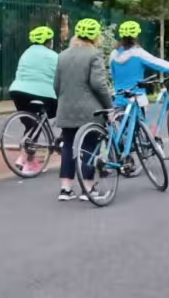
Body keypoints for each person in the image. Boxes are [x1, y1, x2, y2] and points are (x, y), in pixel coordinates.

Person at [54, 18, 114, 201]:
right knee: (89, 146)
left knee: (68, 147)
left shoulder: (63, 55)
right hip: (90, 110)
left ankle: (65, 188)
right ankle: (88, 188)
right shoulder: (94, 54)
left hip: (66, 107)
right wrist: (109, 107)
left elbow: (56, 85)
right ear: (96, 36)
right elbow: (98, 84)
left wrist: (64, 100)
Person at [8, 26, 59, 174]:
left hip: (18, 91)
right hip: (41, 92)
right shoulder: (53, 55)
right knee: (54, 114)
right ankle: (23, 158)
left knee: (32, 124)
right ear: (49, 41)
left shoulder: (26, 53)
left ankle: (31, 162)